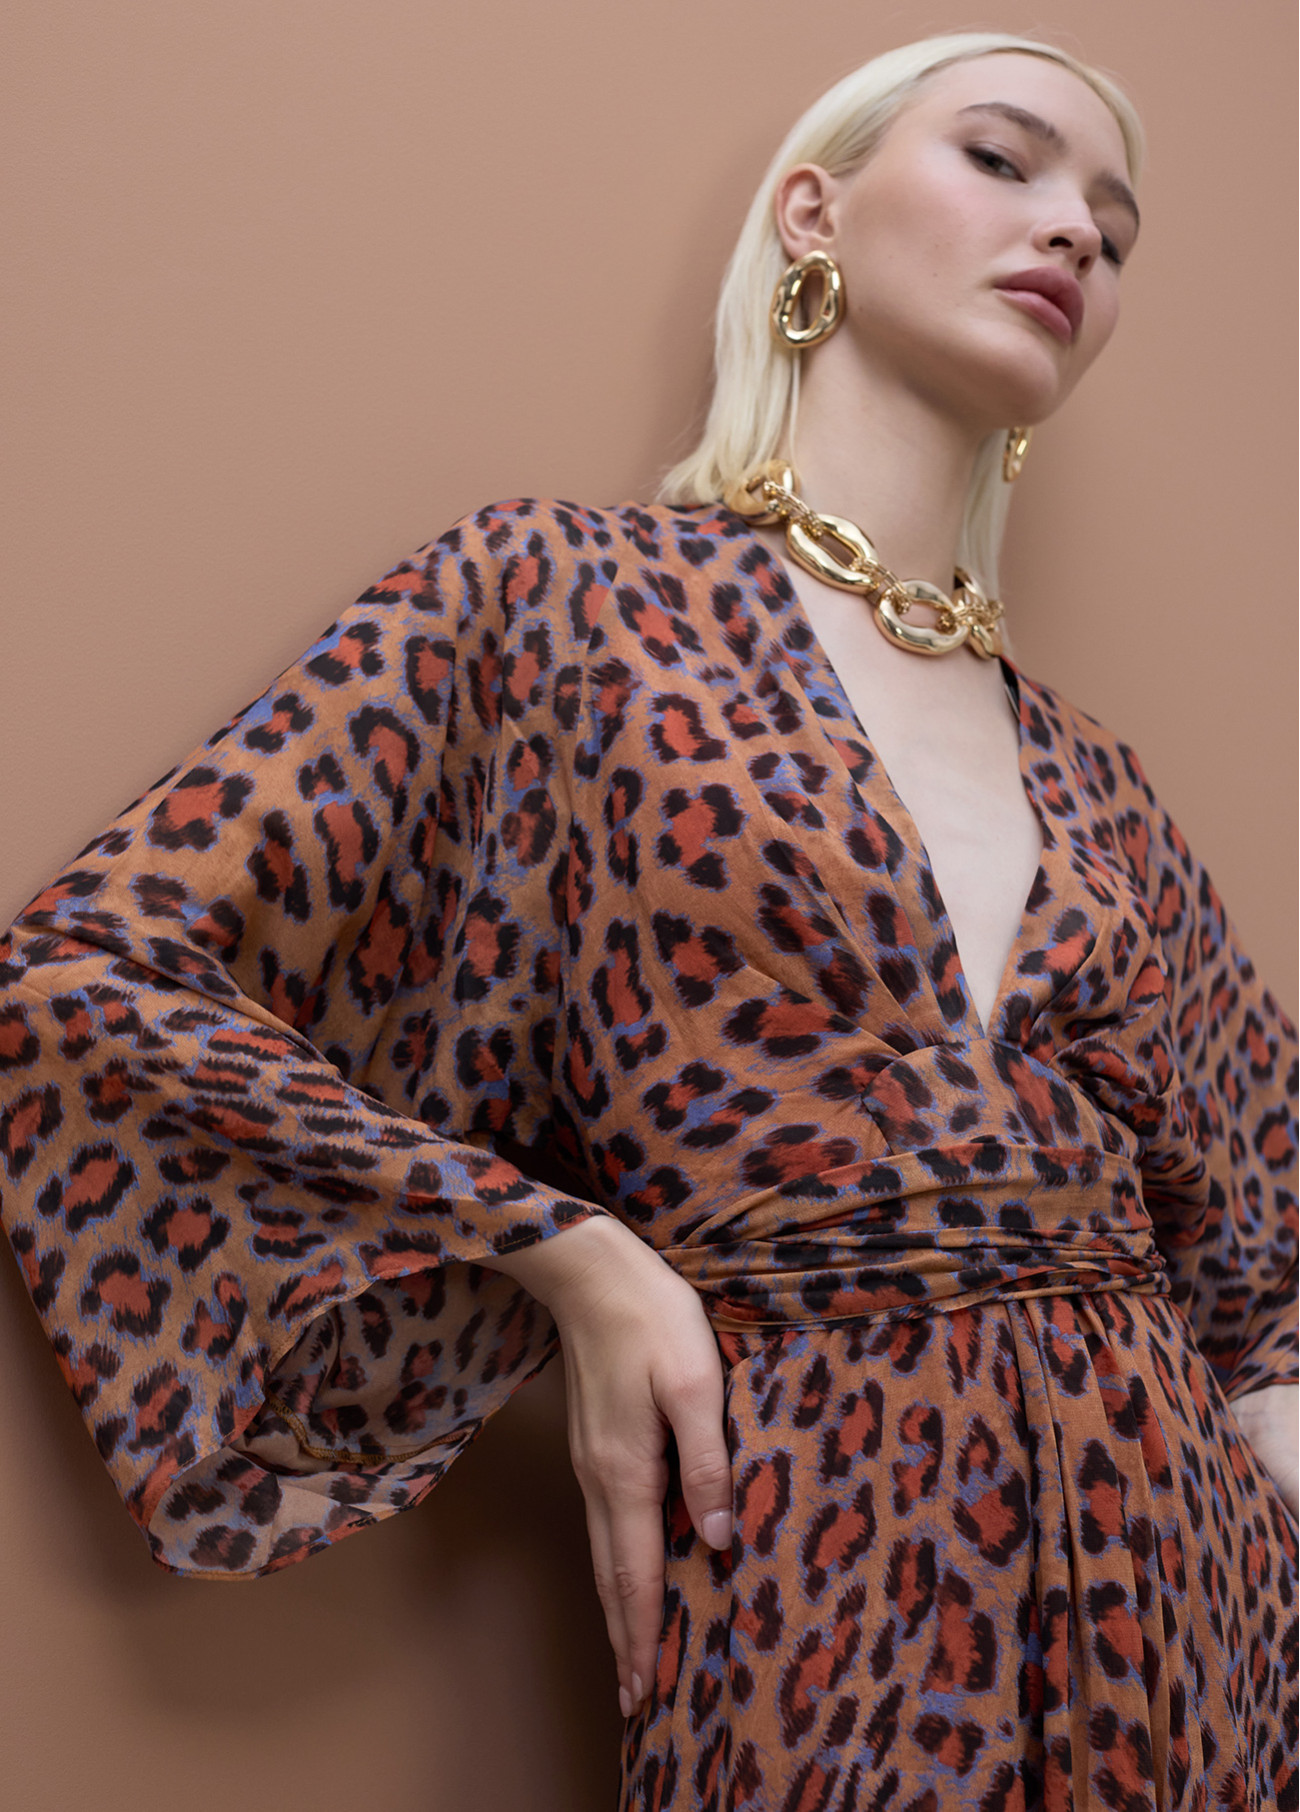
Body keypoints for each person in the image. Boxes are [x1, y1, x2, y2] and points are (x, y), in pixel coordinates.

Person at [0, 25, 1294, 1809]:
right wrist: (576, 1255)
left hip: (1194, 1614)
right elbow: (86, 978)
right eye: (1005, 161)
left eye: (1116, 227)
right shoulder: (563, 602)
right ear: (813, 215)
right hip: (813, 1546)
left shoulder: (1098, 781)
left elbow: (1267, 1270)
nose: (1074, 229)